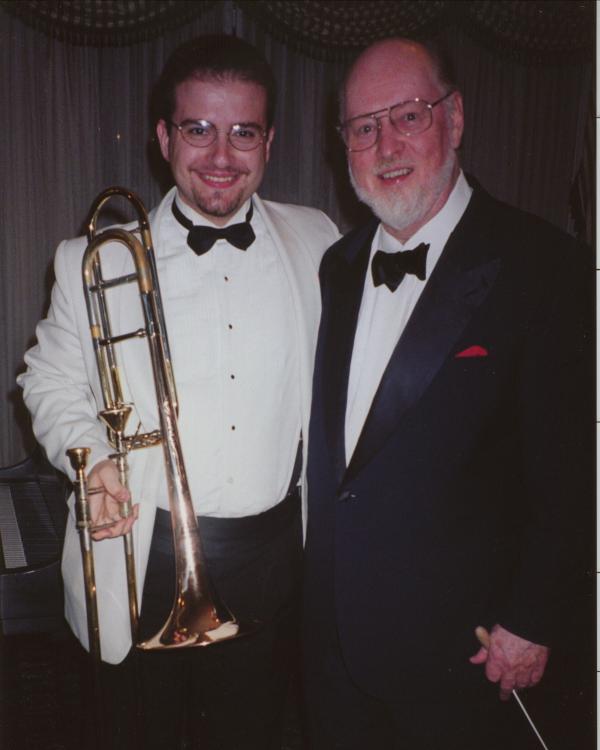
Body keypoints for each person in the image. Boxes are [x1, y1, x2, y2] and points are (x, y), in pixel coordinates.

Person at [18, 34, 339, 750]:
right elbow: (46, 377)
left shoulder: (318, 240)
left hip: (273, 553)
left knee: (252, 732)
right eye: (198, 129)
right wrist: (93, 458)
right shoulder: (92, 261)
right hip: (141, 550)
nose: (220, 155)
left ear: (269, 140)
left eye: (242, 132)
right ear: (164, 137)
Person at [303, 37, 592, 750]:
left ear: (455, 118)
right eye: (362, 127)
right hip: (335, 654)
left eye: (408, 115)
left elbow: (576, 467)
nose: (385, 143)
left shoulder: (544, 265)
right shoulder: (337, 267)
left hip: (467, 656)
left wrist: (534, 620)